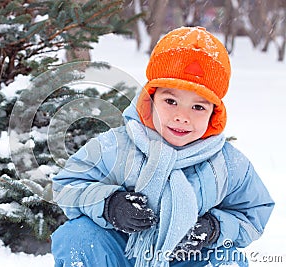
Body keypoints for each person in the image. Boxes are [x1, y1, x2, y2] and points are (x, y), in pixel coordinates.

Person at [50, 26, 274, 267]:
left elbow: (253, 213)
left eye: (198, 107)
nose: (181, 116)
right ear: (150, 99)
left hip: (185, 259)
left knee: (227, 259)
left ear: (214, 114)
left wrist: (214, 228)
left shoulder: (227, 164)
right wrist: (109, 205)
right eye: (170, 101)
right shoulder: (116, 147)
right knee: (78, 236)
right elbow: (68, 186)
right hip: (121, 253)